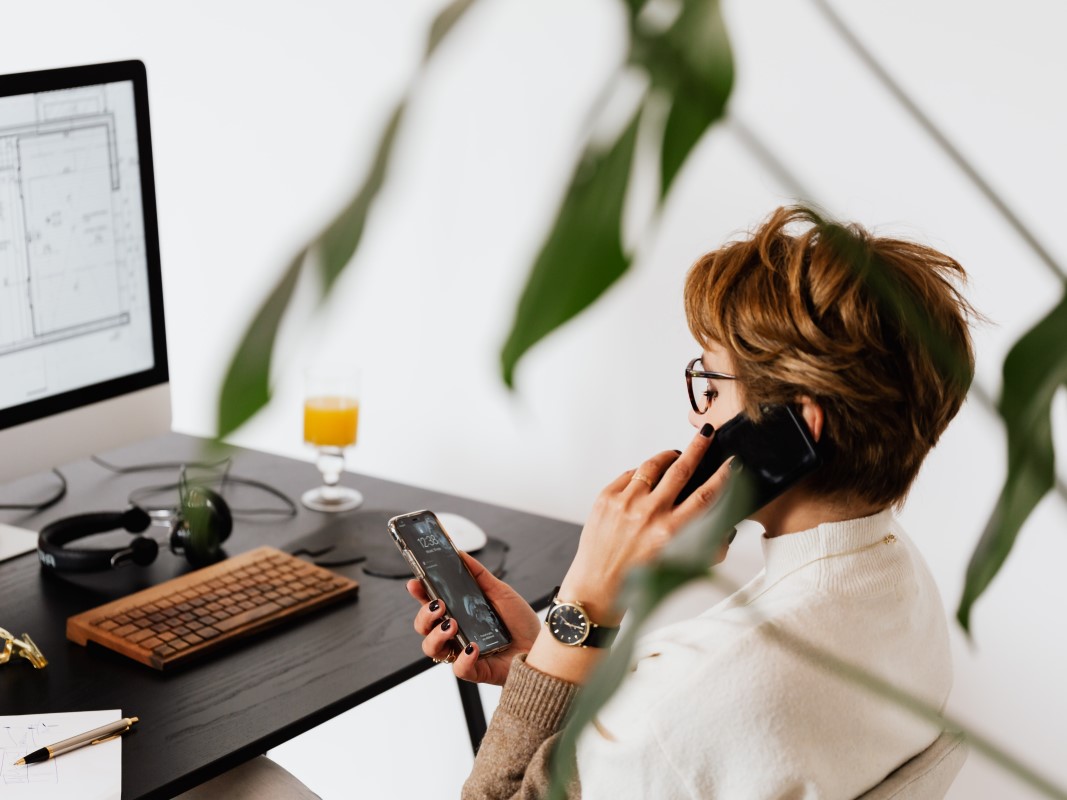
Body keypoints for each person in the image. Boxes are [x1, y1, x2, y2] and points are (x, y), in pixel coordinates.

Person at [409, 205, 976, 799]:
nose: (695, 412)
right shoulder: (901, 582)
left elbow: (674, 729)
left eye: (710, 384)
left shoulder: (680, 707)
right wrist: (552, 656)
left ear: (797, 429)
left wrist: (585, 597)